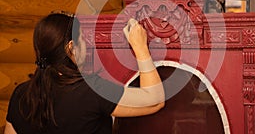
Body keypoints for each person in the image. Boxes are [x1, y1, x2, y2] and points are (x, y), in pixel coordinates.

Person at [4, 11, 165, 134]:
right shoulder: (90, 91)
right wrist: (141, 47)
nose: (86, 46)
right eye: (82, 39)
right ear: (71, 48)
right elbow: (155, 100)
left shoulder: (21, 94)